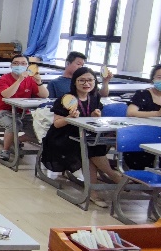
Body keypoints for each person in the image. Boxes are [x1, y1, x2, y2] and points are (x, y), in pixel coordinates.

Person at [41, 67, 122, 207]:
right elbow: (57, 124)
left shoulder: (94, 97)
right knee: (88, 149)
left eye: (90, 80)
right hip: (63, 136)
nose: (86, 83)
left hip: (85, 134)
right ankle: (112, 176)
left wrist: (94, 116)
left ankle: (94, 190)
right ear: (75, 82)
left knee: (91, 147)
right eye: (82, 80)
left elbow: (89, 118)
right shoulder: (66, 99)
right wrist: (69, 118)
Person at [0, 55, 49, 161]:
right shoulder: (3, 79)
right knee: (14, 124)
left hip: (23, 112)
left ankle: (16, 140)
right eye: (16, 63)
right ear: (11, 65)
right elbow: (6, 95)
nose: (19, 65)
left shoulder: (31, 79)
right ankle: (5, 151)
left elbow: (45, 95)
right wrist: (19, 80)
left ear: (28, 66)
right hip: (2, 112)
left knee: (40, 127)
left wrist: (39, 82)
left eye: (23, 63)